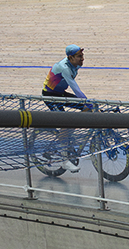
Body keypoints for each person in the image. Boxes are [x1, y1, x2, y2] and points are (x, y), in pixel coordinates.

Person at [41, 44, 88, 172]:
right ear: (70, 57)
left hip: (60, 93)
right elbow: (75, 89)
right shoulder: (64, 68)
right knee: (66, 123)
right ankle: (64, 160)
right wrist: (87, 101)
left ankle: (66, 134)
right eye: (79, 56)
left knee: (85, 109)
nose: (82, 58)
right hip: (50, 95)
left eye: (82, 55)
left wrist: (87, 104)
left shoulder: (75, 65)